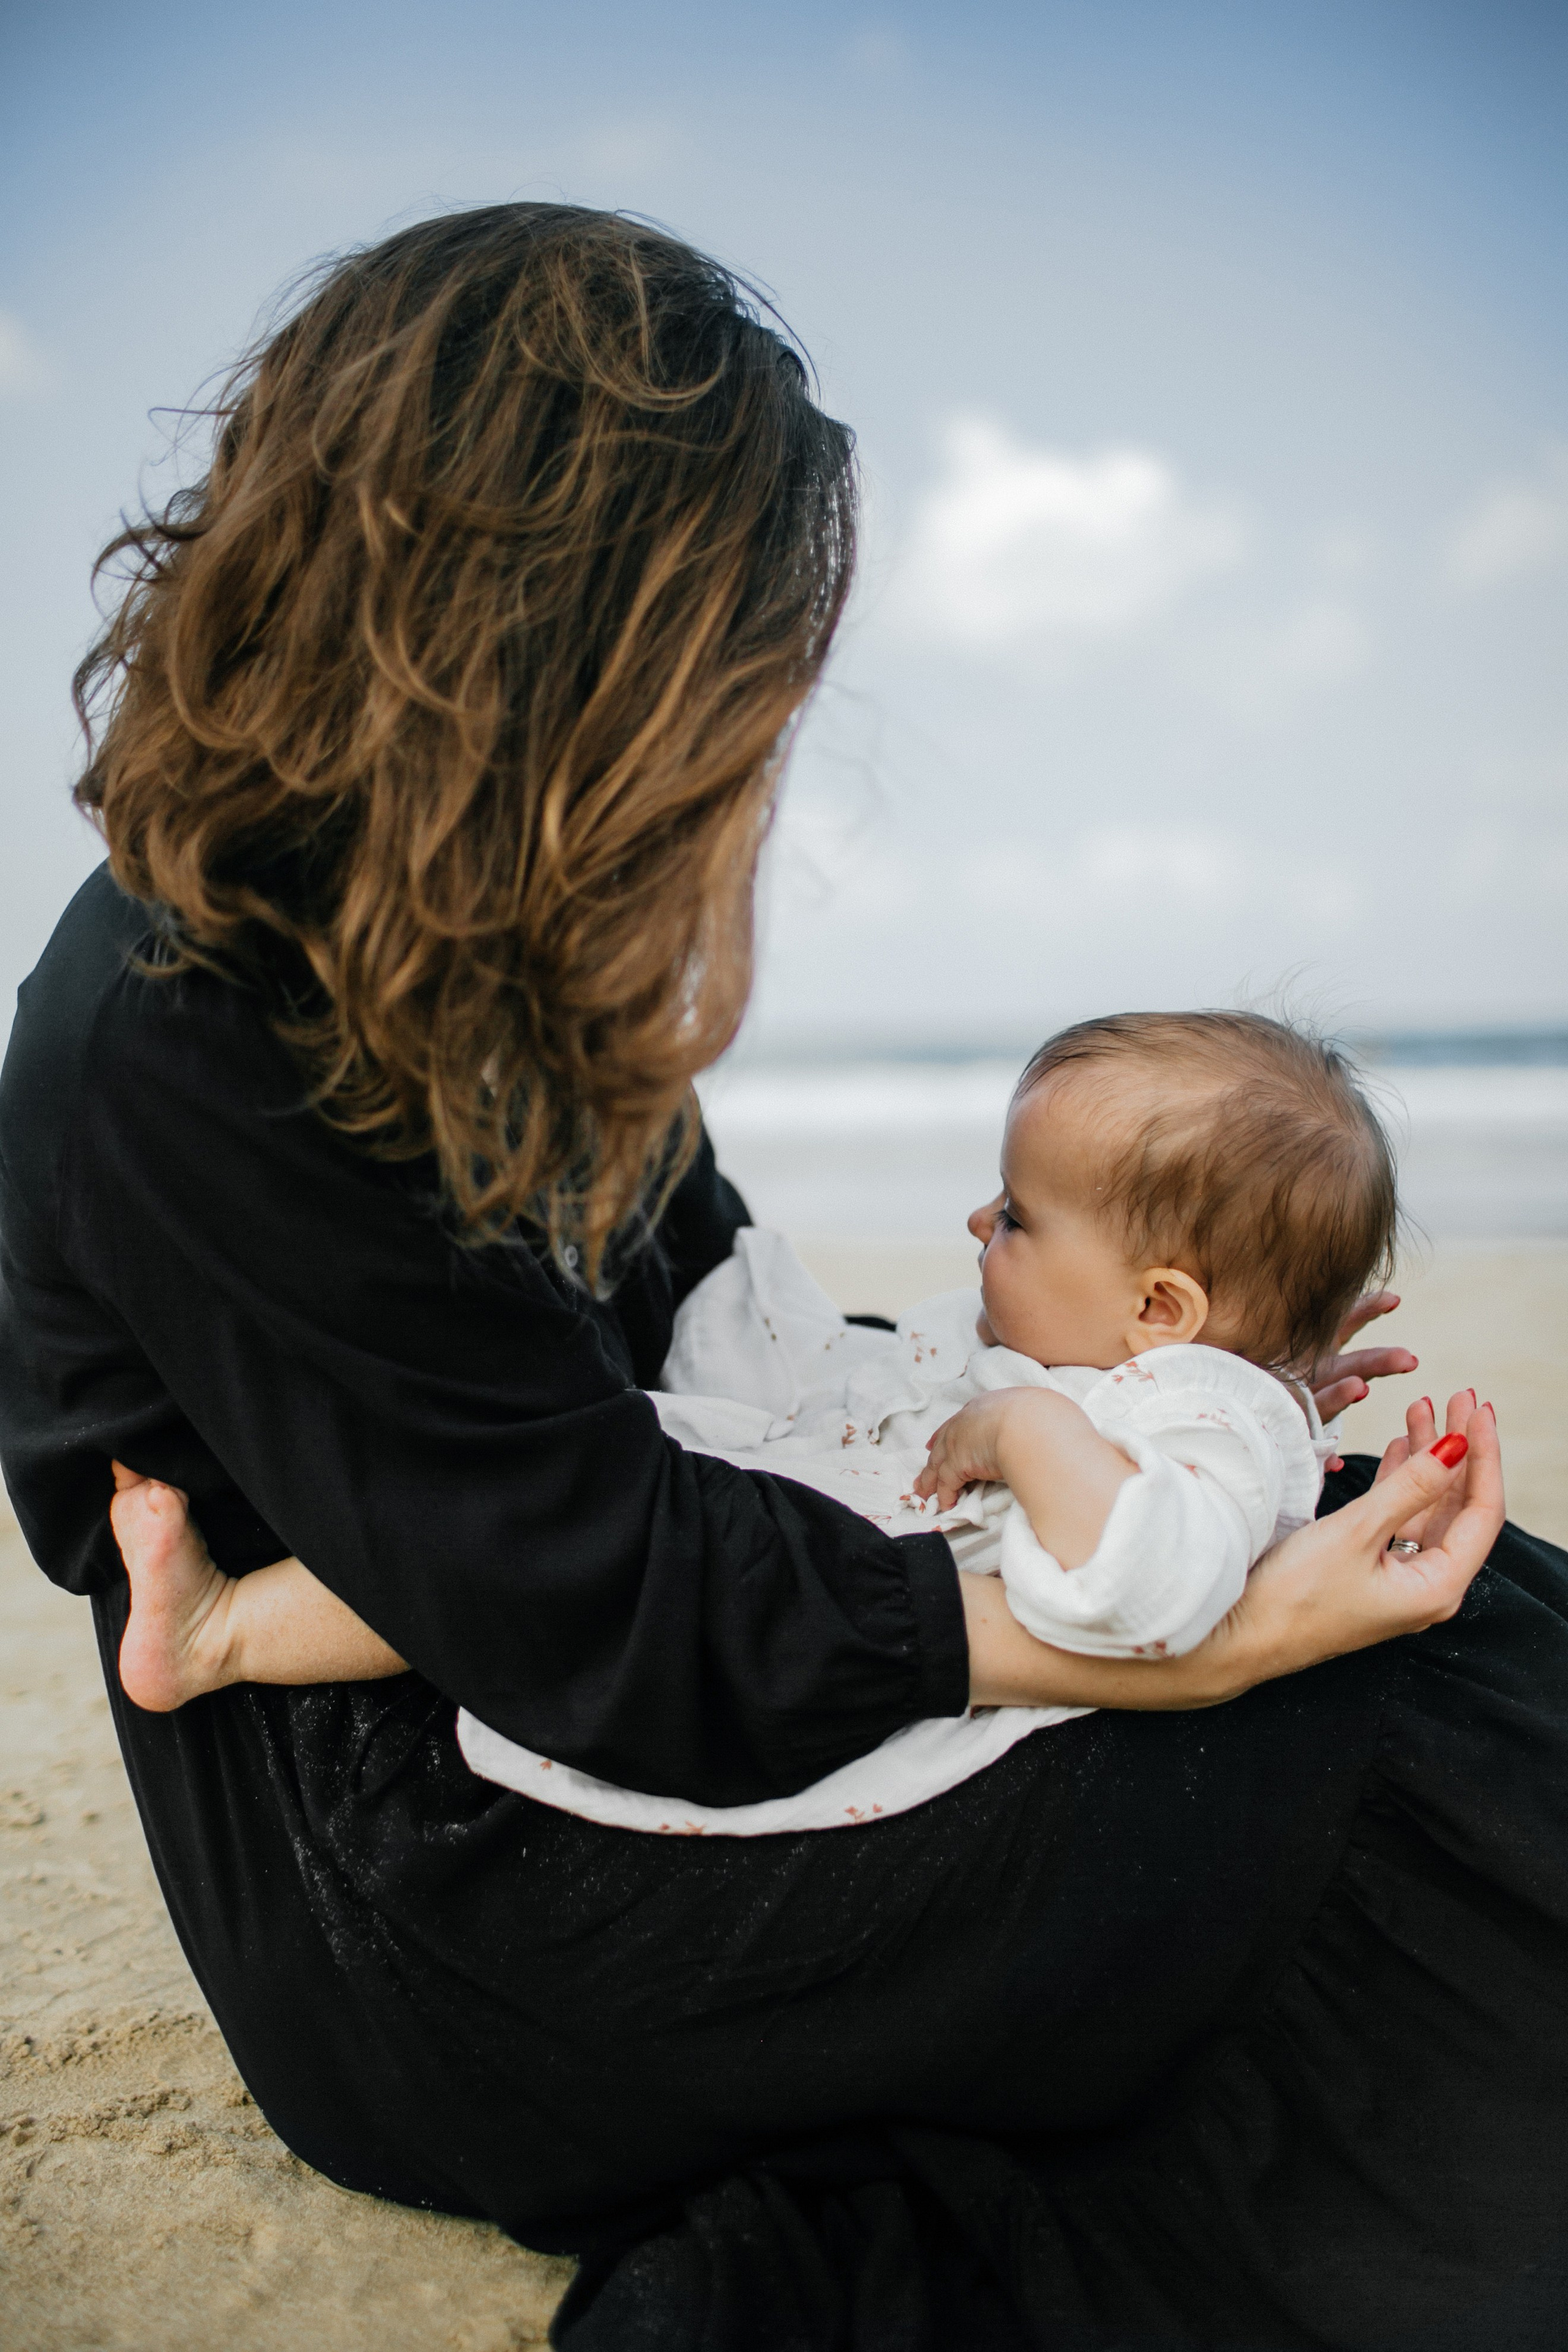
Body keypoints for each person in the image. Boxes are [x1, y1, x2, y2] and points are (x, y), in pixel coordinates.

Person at [0, 203, 1559, 2351]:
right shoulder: (192, 1030)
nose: (763, 719)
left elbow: (744, 1355)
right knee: (1336, 1710)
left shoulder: (483, 942)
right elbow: (607, 1602)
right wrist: (1170, 1655)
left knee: (1403, 1575)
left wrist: (1204, 1388)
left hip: (608, 1672)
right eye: (732, 650)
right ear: (549, 624)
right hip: (447, 1868)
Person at [110, 1008, 1480, 1845]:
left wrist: (1030, 1429)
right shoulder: (1186, 1379)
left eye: (1015, 1216)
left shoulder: (1204, 1412)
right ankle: (226, 1629)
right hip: (852, 1513)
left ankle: (224, 1635)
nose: (978, 1222)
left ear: (1159, 1307)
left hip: (865, 1607)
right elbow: (1172, 1433)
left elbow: (1154, 1581)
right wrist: (1247, 1380)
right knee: (525, 1542)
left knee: (504, 1571)